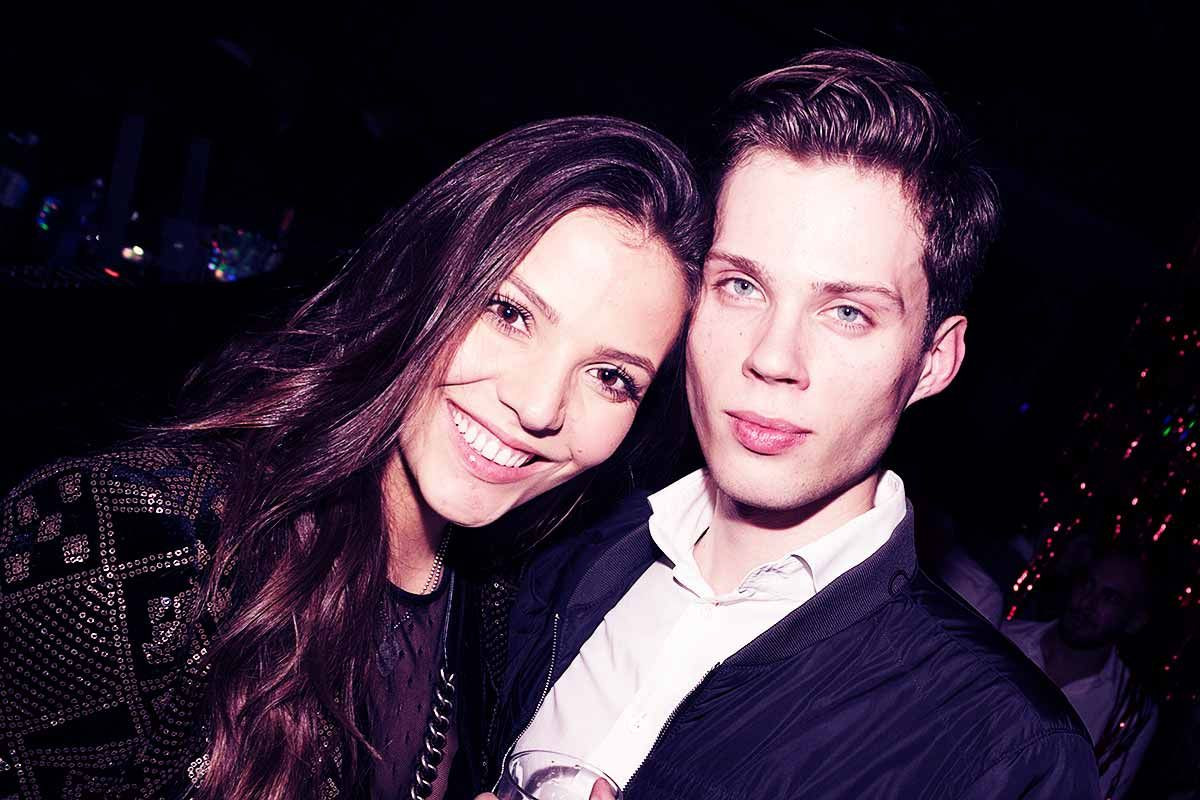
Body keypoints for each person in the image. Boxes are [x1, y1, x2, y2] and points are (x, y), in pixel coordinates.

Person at [0, 116, 710, 800]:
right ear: (424, 281)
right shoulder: (135, 542)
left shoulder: (506, 603)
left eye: (611, 377)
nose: (539, 406)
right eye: (509, 312)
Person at [478, 49, 1099, 799]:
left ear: (933, 361)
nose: (773, 357)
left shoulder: (1003, 750)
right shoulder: (548, 551)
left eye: (848, 313)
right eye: (742, 285)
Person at [1003, 550, 1159, 799]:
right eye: (1087, 583)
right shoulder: (1005, 638)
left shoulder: (1127, 712)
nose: (1086, 602)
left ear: (1135, 621)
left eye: (1109, 597)